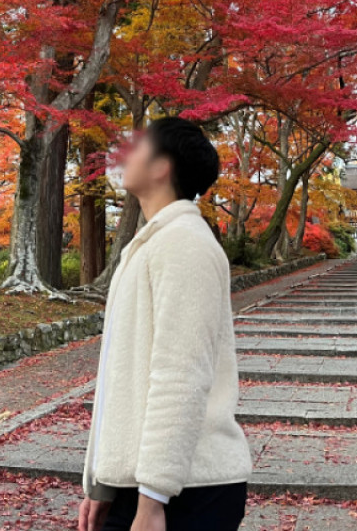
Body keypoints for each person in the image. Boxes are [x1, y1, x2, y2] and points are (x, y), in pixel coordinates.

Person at [80, 117, 252, 531]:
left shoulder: (185, 244)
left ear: (162, 166)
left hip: (184, 491)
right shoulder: (152, 243)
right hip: (149, 482)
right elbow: (120, 375)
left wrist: (152, 499)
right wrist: (103, 483)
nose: (125, 154)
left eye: (139, 146)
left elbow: (181, 373)